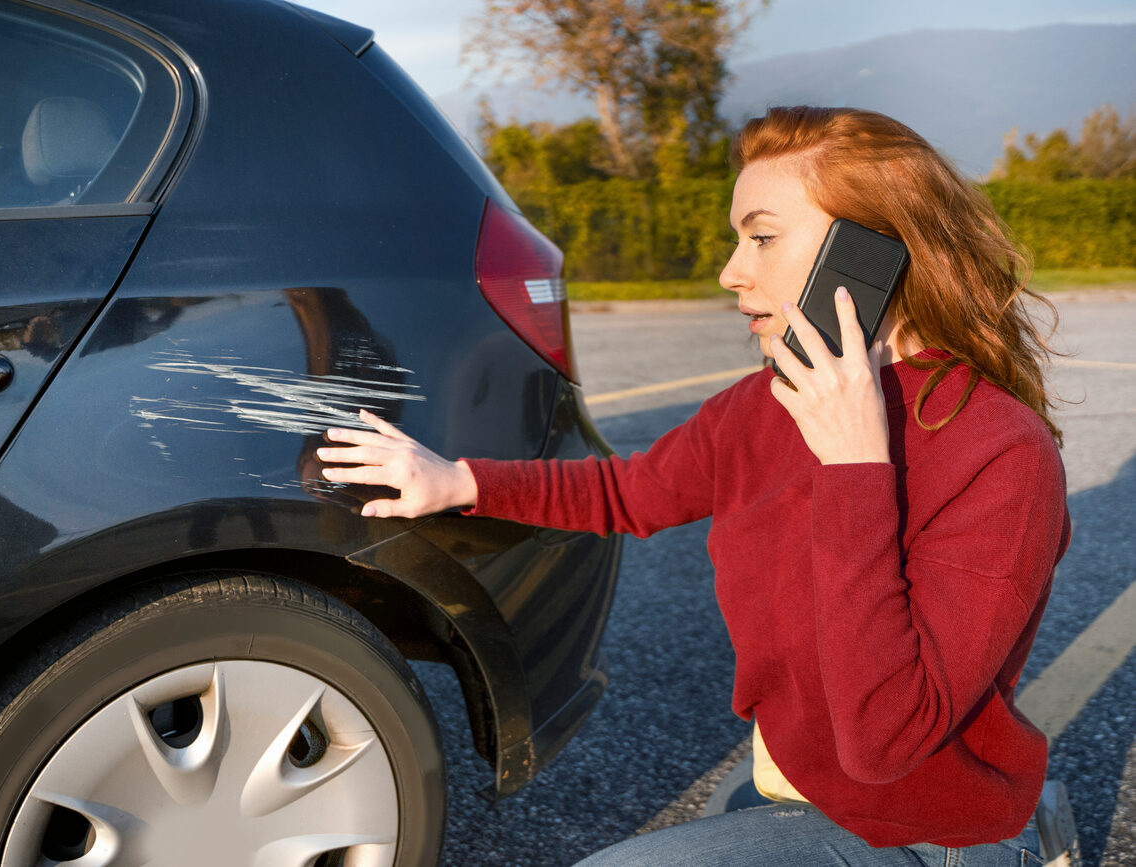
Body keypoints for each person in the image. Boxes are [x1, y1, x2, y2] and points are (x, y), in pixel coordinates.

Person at [315, 106, 1071, 866]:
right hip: (794, 784)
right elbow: (629, 491)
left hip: (921, 826)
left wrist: (855, 468)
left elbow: (888, 739)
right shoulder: (759, 406)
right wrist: (457, 480)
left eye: (763, 236)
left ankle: (1018, 824)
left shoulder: (999, 449)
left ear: (871, 251)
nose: (730, 271)